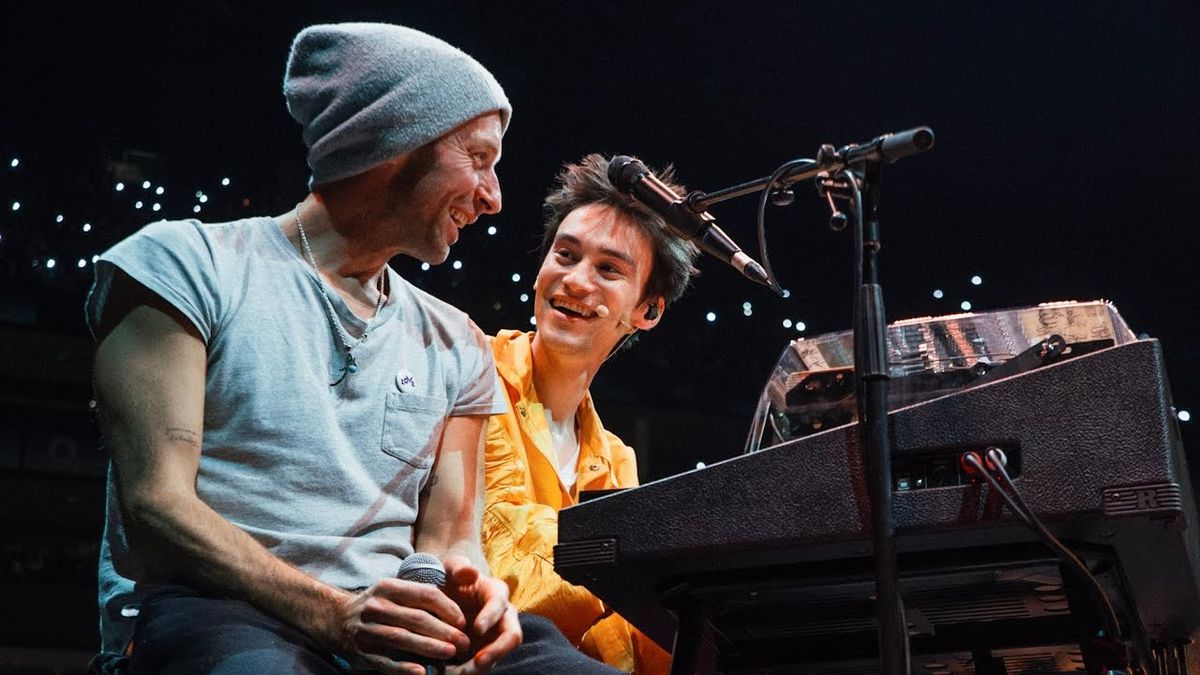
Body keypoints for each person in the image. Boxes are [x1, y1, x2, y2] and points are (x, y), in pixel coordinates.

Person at [84, 22, 603, 675]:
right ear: (396, 142)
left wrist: (474, 596)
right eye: (478, 158)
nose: (494, 197)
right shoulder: (182, 266)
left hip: (385, 629)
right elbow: (157, 503)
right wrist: (335, 612)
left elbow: (450, 538)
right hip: (216, 612)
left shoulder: (459, 341)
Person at [481, 154, 701, 673]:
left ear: (647, 311)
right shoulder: (473, 372)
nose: (576, 280)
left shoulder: (617, 461)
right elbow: (494, 562)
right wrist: (631, 555)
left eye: (608, 269)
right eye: (565, 255)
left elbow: (625, 632)